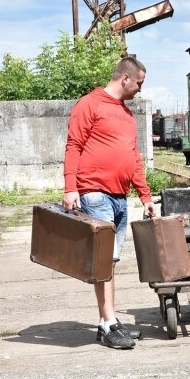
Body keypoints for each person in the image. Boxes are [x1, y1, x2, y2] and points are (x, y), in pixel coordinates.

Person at [62, 56, 156, 349]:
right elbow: (74, 145)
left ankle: (111, 320)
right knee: (105, 261)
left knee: (111, 262)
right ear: (125, 78)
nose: (140, 89)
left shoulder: (127, 115)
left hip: (119, 197)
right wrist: (70, 188)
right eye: (139, 82)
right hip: (95, 193)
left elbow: (134, 158)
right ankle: (106, 323)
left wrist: (145, 195)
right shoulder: (89, 104)